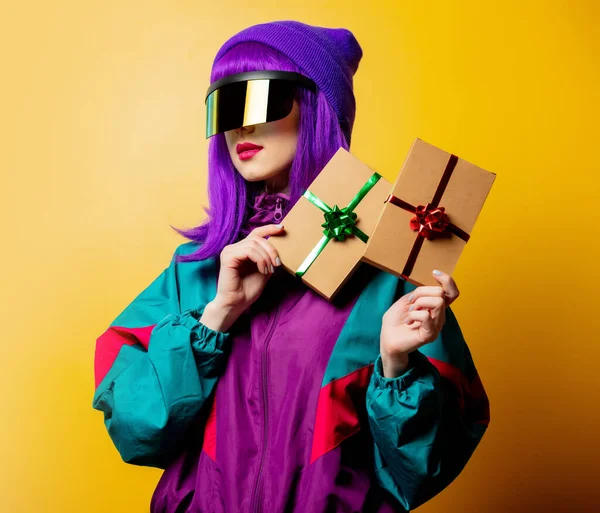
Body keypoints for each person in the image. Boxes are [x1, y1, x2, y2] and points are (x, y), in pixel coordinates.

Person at [92, 20, 490, 513]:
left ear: (318, 108)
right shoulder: (196, 270)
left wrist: (396, 366)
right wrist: (216, 316)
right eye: (226, 106)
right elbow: (136, 430)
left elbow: (426, 467)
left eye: (261, 100)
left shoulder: (389, 272)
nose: (242, 126)